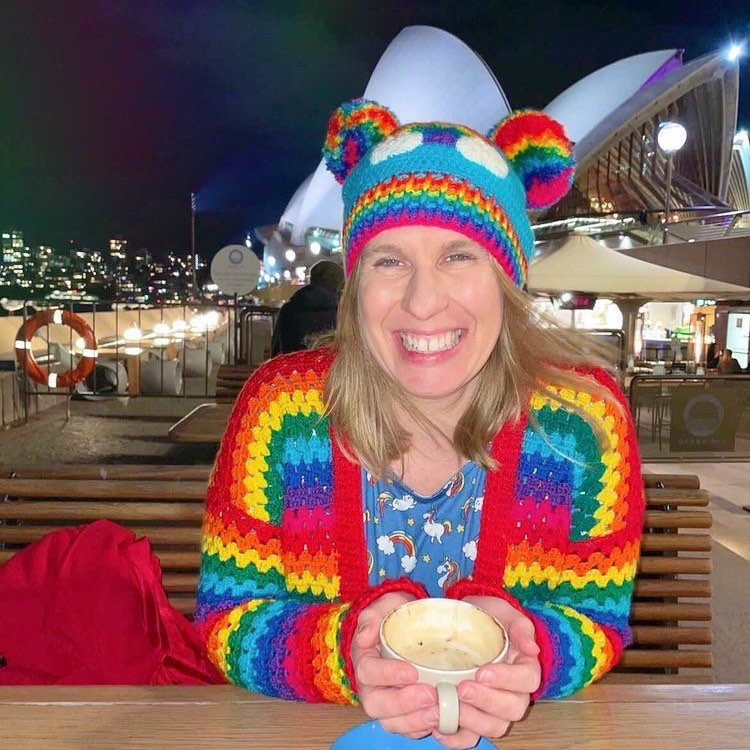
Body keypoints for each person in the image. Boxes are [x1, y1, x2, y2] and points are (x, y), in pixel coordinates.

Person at [196, 99, 645, 748]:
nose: (423, 301)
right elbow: (227, 619)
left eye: (459, 256)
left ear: (507, 278)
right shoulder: (281, 412)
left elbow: (595, 619)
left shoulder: (582, 420)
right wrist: (346, 652)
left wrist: (530, 650)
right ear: (355, 285)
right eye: (389, 260)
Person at [271, 259, 344, 355]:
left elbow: (276, 348)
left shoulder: (288, 309)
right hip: (333, 368)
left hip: (294, 367)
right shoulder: (344, 311)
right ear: (338, 282)